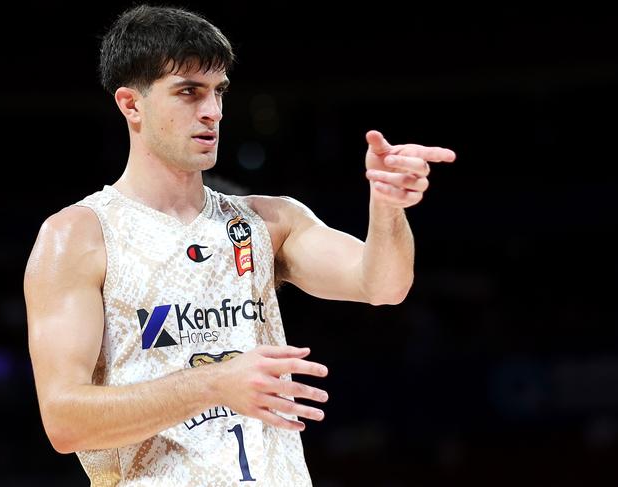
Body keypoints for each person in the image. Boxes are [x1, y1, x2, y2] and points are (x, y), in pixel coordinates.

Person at [23, 4, 455, 486]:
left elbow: (384, 285)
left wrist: (388, 204)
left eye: (218, 92)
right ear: (131, 104)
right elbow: (63, 420)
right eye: (188, 92)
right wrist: (213, 383)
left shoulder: (269, 221)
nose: (211, 111)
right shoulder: (77, 236)